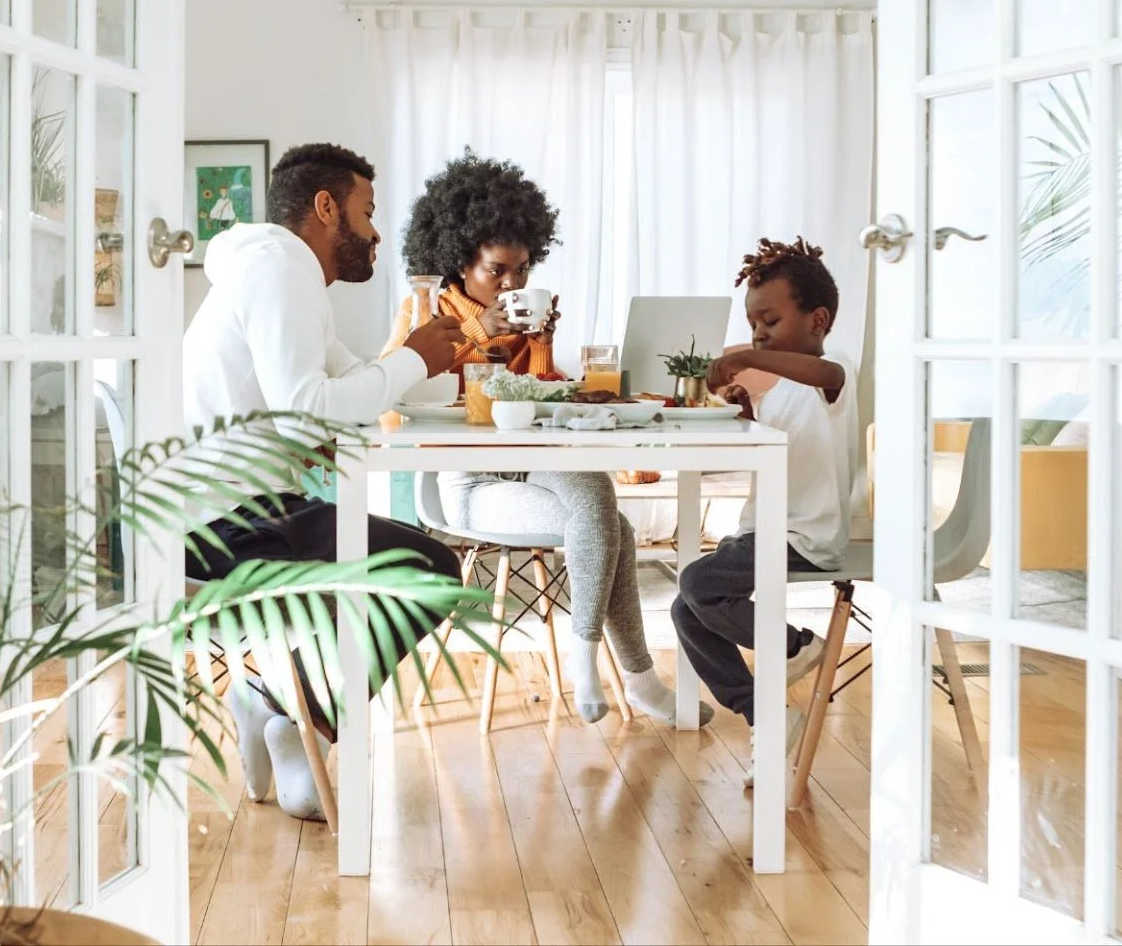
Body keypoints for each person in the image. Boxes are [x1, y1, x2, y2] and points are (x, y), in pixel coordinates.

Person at [183, 142, 465, 819]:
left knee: (413, 559)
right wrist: (412, 359)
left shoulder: (278, 271)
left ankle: (278, 707)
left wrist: (414, 362)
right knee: (430, 569)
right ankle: (286, 714)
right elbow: (310, 409)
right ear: (326, 207)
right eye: (367, 213)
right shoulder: (282, 270)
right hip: (217, 527)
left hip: (235, 508)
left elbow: (341, 383)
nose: (373, 234)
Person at [384, 151, 681, 726]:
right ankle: (630, 676)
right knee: (610, 524)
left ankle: (587, 660)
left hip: (531, 463)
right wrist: (474, 330)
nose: (512, 283)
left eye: (522, 270)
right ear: (459, 260)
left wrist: (542, 343)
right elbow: (394, 404)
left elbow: (535, 402)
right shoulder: (424, 312)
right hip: (467, 481)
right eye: (497, 270)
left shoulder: (522, 317)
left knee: (597, 496)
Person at [670, 236, 860, 784]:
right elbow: (776, 446)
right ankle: (767, 715)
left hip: (804, 535)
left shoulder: (834, 371)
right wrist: (747, 407)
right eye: (754, 325)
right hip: (763, 530)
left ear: (818, 320)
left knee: (698, 584)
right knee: (687, 609)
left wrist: (749, 358)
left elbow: (825, 380)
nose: (758, 334)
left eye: (770, 322)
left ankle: (799, 646)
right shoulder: (781, 392)